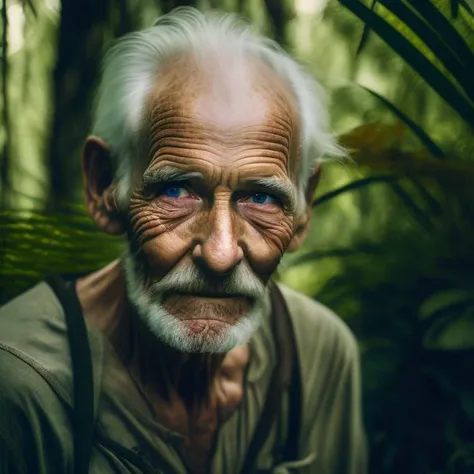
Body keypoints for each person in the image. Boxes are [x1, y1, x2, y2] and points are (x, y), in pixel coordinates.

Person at [0, 7, 366, 474]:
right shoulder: (18, 387)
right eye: (176, 191)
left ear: (303, 208)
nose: (220, 253)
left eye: (261, 198)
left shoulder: (320, 354)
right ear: (104, 185)